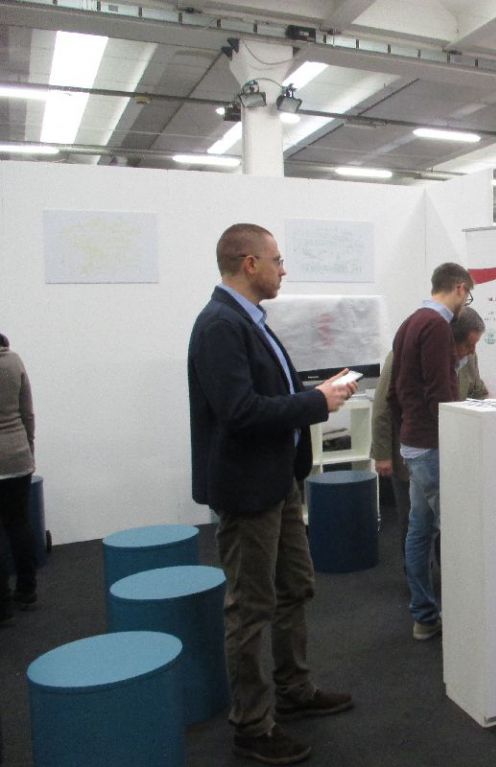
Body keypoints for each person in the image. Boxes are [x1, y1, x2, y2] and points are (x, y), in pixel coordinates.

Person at [188, 223, 359, 766]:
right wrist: (316, 402)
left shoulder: (248, 320)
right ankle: (252, 725)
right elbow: (239, 412)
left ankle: (294, 690)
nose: (285, 269)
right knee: (250, 608)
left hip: (276, 481)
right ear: (250, 263)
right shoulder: (220, 325)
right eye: (277, 260)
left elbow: (269, 394)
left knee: (294, 587)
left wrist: (316, 393)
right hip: (248, 490)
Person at [388, 262, 474, 641]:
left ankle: (424, 616)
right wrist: (456, 437)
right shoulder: (438, 325)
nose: (465, 304)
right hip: (433, 445)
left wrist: (405, 433)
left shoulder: (409, 323)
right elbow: (441, 394)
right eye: (468, 296)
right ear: (460, 288)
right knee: (456, 531)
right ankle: (465, 623)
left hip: (413, 443)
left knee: (420, 531)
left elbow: (394, 392)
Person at [371, 307, 488, 560]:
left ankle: (447, 574)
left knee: (447, 519)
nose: (472, 351)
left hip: (451, 450)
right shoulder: (405, 353)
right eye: (469, 344)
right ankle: (412, 575)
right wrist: (382, 454)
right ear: (452, 338)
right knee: (413, 520)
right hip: (412, 448)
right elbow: (382, 406)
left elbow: (477, 390)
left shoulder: (469, 358)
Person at [0, 332, 36, 624]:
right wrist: (29, 449)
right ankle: (27, 590)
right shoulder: (14, 361)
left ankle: (2, 606)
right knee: (19, 524)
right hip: (18, 455)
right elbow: (27, 413)